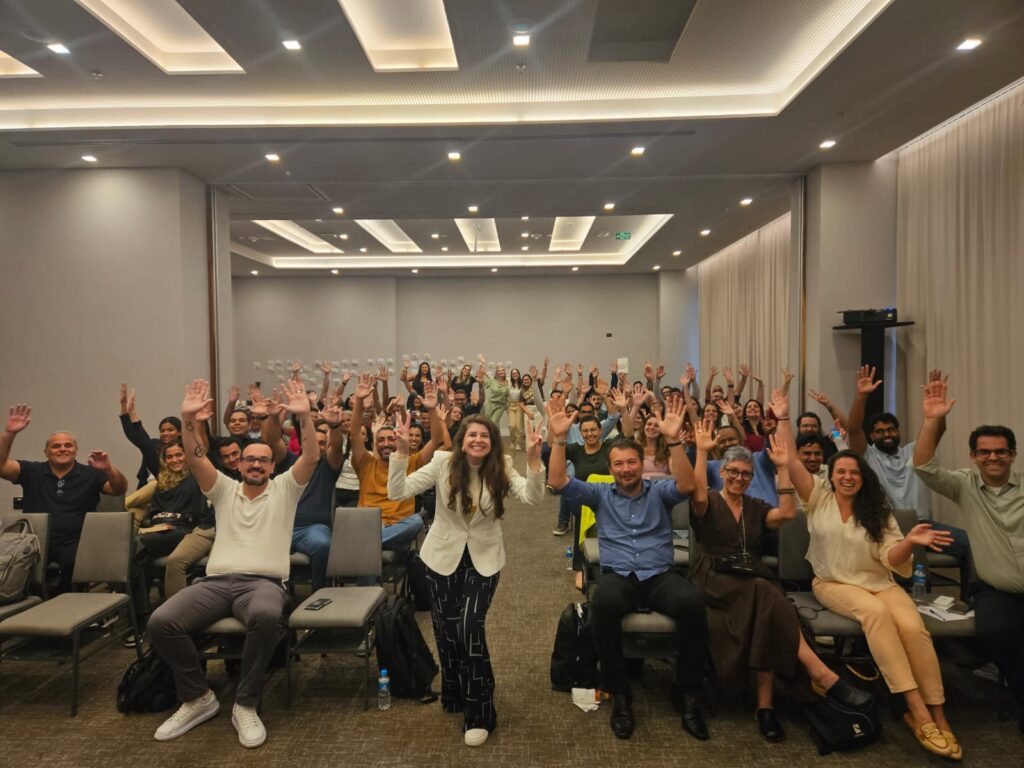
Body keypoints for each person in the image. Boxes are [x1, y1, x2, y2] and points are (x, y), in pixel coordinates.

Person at [774, 390, 963, 759]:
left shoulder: (878, 509)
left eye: (854, 472)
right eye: (840, 472)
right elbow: (792, 460)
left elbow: (890, 557)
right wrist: (782, 416)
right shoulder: (818, 497)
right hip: (833, 583)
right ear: (831, 476)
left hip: (880, 583)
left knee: (913, 628)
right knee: (875, 616)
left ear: (863, 477)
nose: (847, 477)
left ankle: (939, 712)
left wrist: (910, 542)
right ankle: (917, 709)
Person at [147, 378, 318, 749]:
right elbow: (195, 458)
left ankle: (245, 703)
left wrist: (304, 418)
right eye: (249, 459)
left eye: (263, 460)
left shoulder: (286, 489)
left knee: (266, 616)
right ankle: (198, 697)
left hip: (263, 584)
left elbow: (311, 457)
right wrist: (187, 419)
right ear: (239, 464)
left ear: (272, 465)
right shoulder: (224, 489)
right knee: (161, 622)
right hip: (216, 583)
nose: (256, 464)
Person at [689, 423, 872, 742]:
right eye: (733, 472)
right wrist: (702, 452)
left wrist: (785, 467)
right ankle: (819, 674)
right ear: (722, 472)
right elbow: (698, 494)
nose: (739, 478)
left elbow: (787, 513)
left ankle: (766, 705)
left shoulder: (755, 507)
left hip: (750, 579)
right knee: (768, 594)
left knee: (768, 610)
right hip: (714, 579)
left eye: (746, 474)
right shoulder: (709, 503)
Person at [546, 393, 710, 741]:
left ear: (641, 464)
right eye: (618, 464)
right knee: (602, 605)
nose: (625, 469)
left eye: (631, 462)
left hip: (660, 576)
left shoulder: (659, 491)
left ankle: (688, 693)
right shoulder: (600, 494)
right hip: (619, 577)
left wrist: (674, 441)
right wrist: (559, 439)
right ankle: (619, 693)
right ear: (611, 469)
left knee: (693, 604)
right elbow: (558, 482)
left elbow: (687, 485)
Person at [387, 413, 544, 747]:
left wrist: (533, 460)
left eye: (484, 436)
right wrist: (400, 453)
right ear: (461, 440)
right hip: (442, 557)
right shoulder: (442, 463)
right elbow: (397, 491)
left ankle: (479, 712)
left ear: (492, 442)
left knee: (470, 627)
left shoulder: (501, 466)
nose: (478, 440)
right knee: (446, 632)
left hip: (484, 560)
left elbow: (533, 498)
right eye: (472, 434)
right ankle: (454, 692)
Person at [909, 375, 1024, 730]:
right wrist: (933, 420)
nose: (993, 457)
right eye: (985, 452)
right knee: (995, 631)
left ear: (1012, 454)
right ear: (973, 456)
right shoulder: (965, 485)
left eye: (1001, 451)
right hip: (996, 590)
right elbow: (923, 466)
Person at [0, 403, 128, 595]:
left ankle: (62, 604)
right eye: (56, 446)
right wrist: (9, 434)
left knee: (73, 565)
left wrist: (109, 469)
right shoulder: (31, 470)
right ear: (46, 451)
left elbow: (119, 489)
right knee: (15, 564)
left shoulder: (91, 474)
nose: (62, 449)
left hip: (76, 541)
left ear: (76, 450)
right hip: (36, 541)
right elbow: (1, 465)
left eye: (68, 445)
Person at [846, 366, 969, 559]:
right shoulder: (867, 455)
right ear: (871, 436)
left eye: (891, 429)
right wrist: (861, 396)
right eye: (880, 431)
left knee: (971, 544)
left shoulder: (914, 452)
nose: (887, 434)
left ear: (898, 431)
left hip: (923, 525)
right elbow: (853, 430)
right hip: (885, 527)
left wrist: (937, 414)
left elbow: (936, 431)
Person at [350, 374, 449, 553]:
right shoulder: (365, 462)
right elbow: (354, 433)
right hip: (369, 523)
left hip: (399, 526)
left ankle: (367, 544)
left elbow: (436, 440)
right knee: (365, 535)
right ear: (375, 443)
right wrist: (358, 401)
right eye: (381, 440)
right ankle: (374, 543)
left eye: (391, 439)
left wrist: (432, 409)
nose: (386, 443)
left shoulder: (411, 462)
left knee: (416, 522)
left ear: (398, 441)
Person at [119, 383, 181, 488]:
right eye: (162, 431)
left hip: (172, 487)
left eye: (170, 430)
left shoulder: (184, 448)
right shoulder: (155, 445)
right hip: (149, 486)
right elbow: (137, 437)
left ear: (180, 432)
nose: (165, 433)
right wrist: (125, 408)